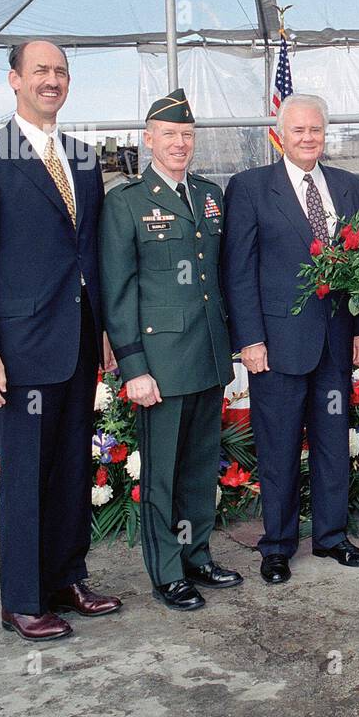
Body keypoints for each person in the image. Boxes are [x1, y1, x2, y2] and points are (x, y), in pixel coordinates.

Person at [0, 40, 121, 640]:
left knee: (73, 465)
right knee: (25, 473)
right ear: (15, 79)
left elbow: (89, 252)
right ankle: (20, 598)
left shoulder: (82, 156)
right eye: (40, 70)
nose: (52, 80)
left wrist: (100, 329)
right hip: (18, 348)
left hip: (76, 341)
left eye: (61, 72)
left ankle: (66, 578)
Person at [221, 93, 359, 585]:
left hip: (335, 342)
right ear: (280, 135)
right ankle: (278, 546)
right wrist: (250, 338)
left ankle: (331, 537)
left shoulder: (352, 187)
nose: (308, 138)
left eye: (316, 130)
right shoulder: (248, 188)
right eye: (299, 131)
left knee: (333, 442)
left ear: (325, 134)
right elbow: (238, 271)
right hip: (277, 346)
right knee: (279, 447)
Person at [99, 88, 241, 612]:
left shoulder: (209, 195)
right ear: (148, 140)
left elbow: (217, 277)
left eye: (186, 135)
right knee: (162, 473)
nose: (179, 143)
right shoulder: (126, 203)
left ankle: (196, 554)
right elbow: (118, 292)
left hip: (206, 355)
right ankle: (165, 572)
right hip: (159, 366)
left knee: (201, 467)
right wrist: (133, 365)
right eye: (168, 135)